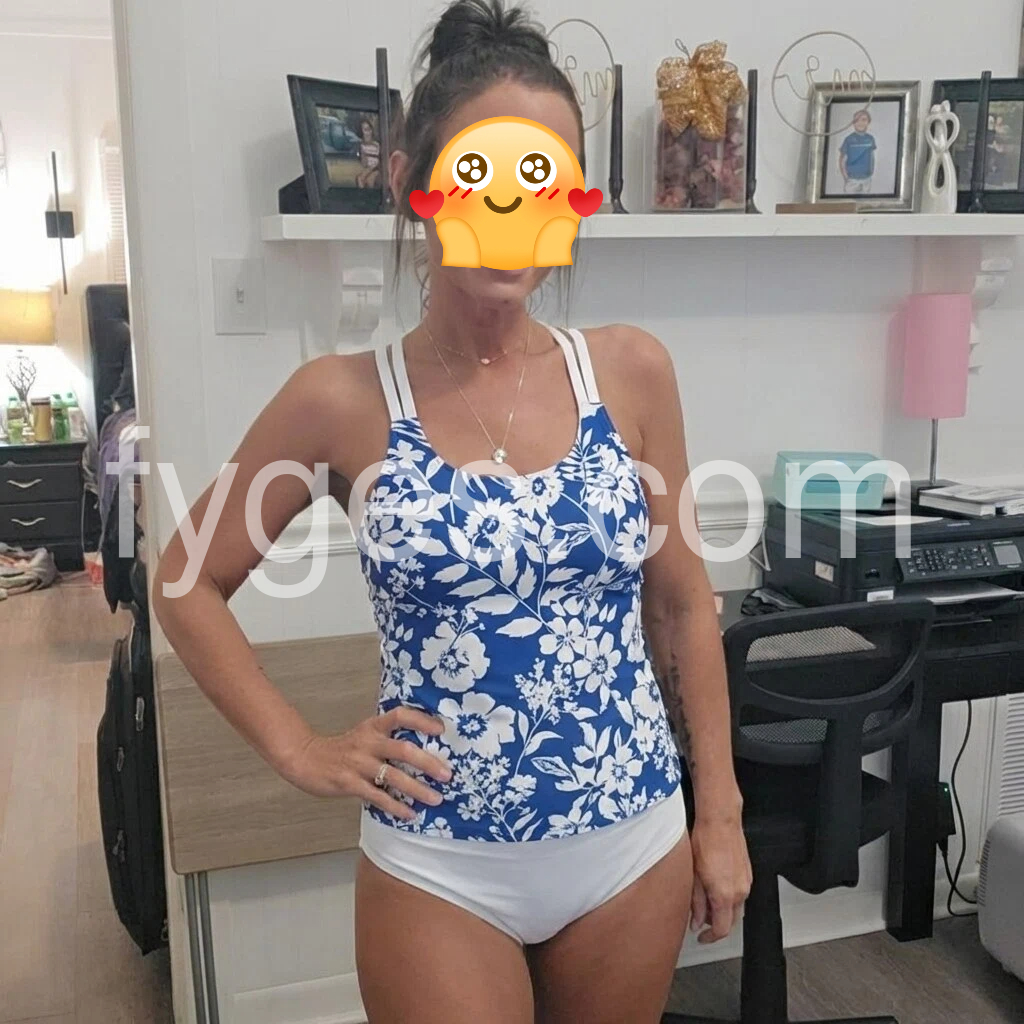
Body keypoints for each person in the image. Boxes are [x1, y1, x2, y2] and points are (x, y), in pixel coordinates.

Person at [151, 2, 750, 1021]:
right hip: (439, 864)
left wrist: (721, 812)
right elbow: (184, 578)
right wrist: (299, 748)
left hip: (631, 840)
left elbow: (685, 604)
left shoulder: (632, 373)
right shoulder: (339, 399)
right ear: (412, 182)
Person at [839, 109, 877, 194]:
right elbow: (842, 160)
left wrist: (871, 172)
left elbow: (872, 157)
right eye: (857, 120)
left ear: (868, 122)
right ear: (853, 123)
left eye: (864, 120)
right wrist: (846, 177)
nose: (860, 123)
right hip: (852, 180)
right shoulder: (848, 139)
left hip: (866, 179)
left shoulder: (870, 139)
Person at [356, 118, 381, 188]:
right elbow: (364, 164)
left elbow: (380, 159)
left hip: (376, 168)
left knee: (370, 180)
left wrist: (373, 168)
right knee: (360, 179)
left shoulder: (377, 145)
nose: (368, 133)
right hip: (367, 168)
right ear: (362, 132)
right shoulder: (361, 146)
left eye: (369, 129)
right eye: (365, 130)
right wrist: (363, 155)